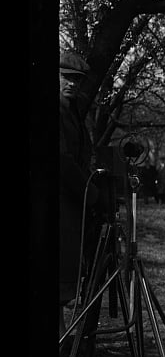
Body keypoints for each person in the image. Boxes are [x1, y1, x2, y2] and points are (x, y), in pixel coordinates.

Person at [59, 50, 100, 334]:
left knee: (67, 268)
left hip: (70, 202)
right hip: (60, 198)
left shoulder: (71, 108)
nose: (72, 84)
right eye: (66, 78)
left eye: (77, 80)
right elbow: (61, 159)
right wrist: (88, 189)